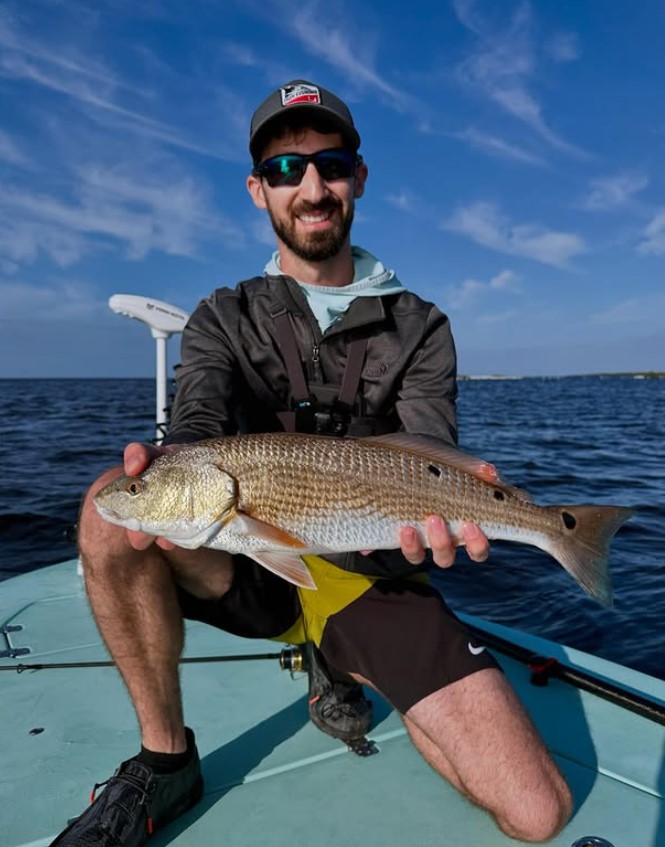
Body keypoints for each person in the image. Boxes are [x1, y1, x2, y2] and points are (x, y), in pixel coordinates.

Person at [51, 80, 572, 846]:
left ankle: (347, 656)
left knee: (536, 810)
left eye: (329, 163)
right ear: (258, 189)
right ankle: (166, 759)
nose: (312, 186)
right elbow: (196, 416)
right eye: (286, 169)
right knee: (107, 511)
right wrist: (162, 464)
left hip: (369, 565)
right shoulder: (223, 314)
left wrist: (445, 519)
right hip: (248, 560)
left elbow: (429, 447)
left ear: (357, 177)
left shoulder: (421, 326)